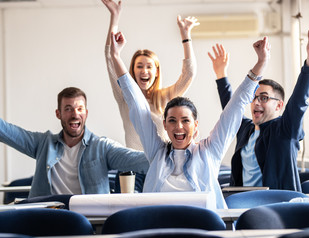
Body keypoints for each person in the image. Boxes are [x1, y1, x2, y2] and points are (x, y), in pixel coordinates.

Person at [109, 30, 270, 209]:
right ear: (164, 125)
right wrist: (116, 56)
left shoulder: (209, 151)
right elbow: (136, 103)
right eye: (172, 121)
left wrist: (261, 63)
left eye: (185, 120)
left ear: (195, 125)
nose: (178, 126)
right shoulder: (157, 152)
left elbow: (236, 106)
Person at [208, 20, 309, 191]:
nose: (256, 102)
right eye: (254, 97)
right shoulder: (246, 129)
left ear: (279, 106)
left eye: (263, 98)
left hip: (278, 207)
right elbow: (231, 107)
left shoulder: (285, 128)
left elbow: (300, 100)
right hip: (242, 206)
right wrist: (221, 75)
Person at [0, 87, 149, 198]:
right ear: (58, 114)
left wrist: (171, 151)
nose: (75, 114)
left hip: (88, 220)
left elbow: (139, 160)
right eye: (68, 109)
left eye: (80, 109)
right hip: (46, 218)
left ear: (86, 114)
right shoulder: (43, 144)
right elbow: (5, 131)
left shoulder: (101, 147)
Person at [102, 0, 199, 150]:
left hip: (161, 164)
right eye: (139, 66)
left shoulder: (166, 97)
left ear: (156, 72)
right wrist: (114, 16)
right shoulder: (124, 97)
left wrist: (185, 36)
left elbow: (189, 74)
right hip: (134, 165)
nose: (144, 71)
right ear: (133, 70)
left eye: (149, 66)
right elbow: (110, 56)